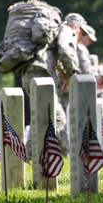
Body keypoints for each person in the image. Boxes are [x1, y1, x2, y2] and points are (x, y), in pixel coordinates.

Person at [20, 9, 83, 157]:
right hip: (42, 74)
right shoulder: (66, 29)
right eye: (82, 32)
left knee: (39, 116)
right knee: (57, 117)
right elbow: (66, 51)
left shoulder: (51, 32)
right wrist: (72, 74)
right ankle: (67, 156)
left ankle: (28, 156)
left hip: (29, 73)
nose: (81, 37)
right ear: (75, 27)